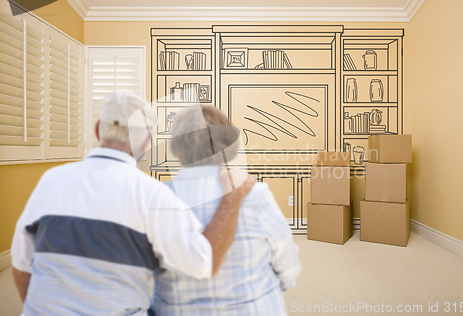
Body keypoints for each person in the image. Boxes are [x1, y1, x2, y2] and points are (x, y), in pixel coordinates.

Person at [11, 91, 255, 315]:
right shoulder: (153, 195)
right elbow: (205, 263)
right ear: (146, 141)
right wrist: (232, 197)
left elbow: (21, 265)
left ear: (98, 130)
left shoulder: (51, 180)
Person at [152, 106, 301, 316]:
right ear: (228, 145)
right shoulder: (256, 194)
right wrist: (282, 284)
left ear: (177, 147)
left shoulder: (156, 198)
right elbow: (286, 263)